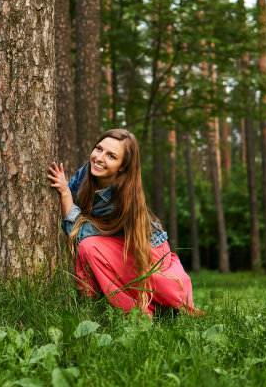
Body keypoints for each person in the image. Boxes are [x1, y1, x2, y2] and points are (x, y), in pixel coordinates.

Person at [48, 129, 199, 317]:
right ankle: (91, 308)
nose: (99, 158)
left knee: (88, 247)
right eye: (98, 149)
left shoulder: (123, 199)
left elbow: (78, 232)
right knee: (90, 249)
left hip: (147, 251)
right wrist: (65, 191)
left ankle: (140, 313)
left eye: (111, 156)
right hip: (116, 247)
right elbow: (72, 194)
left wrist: (64, 194)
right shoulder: (86, 172)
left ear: (122, 167)